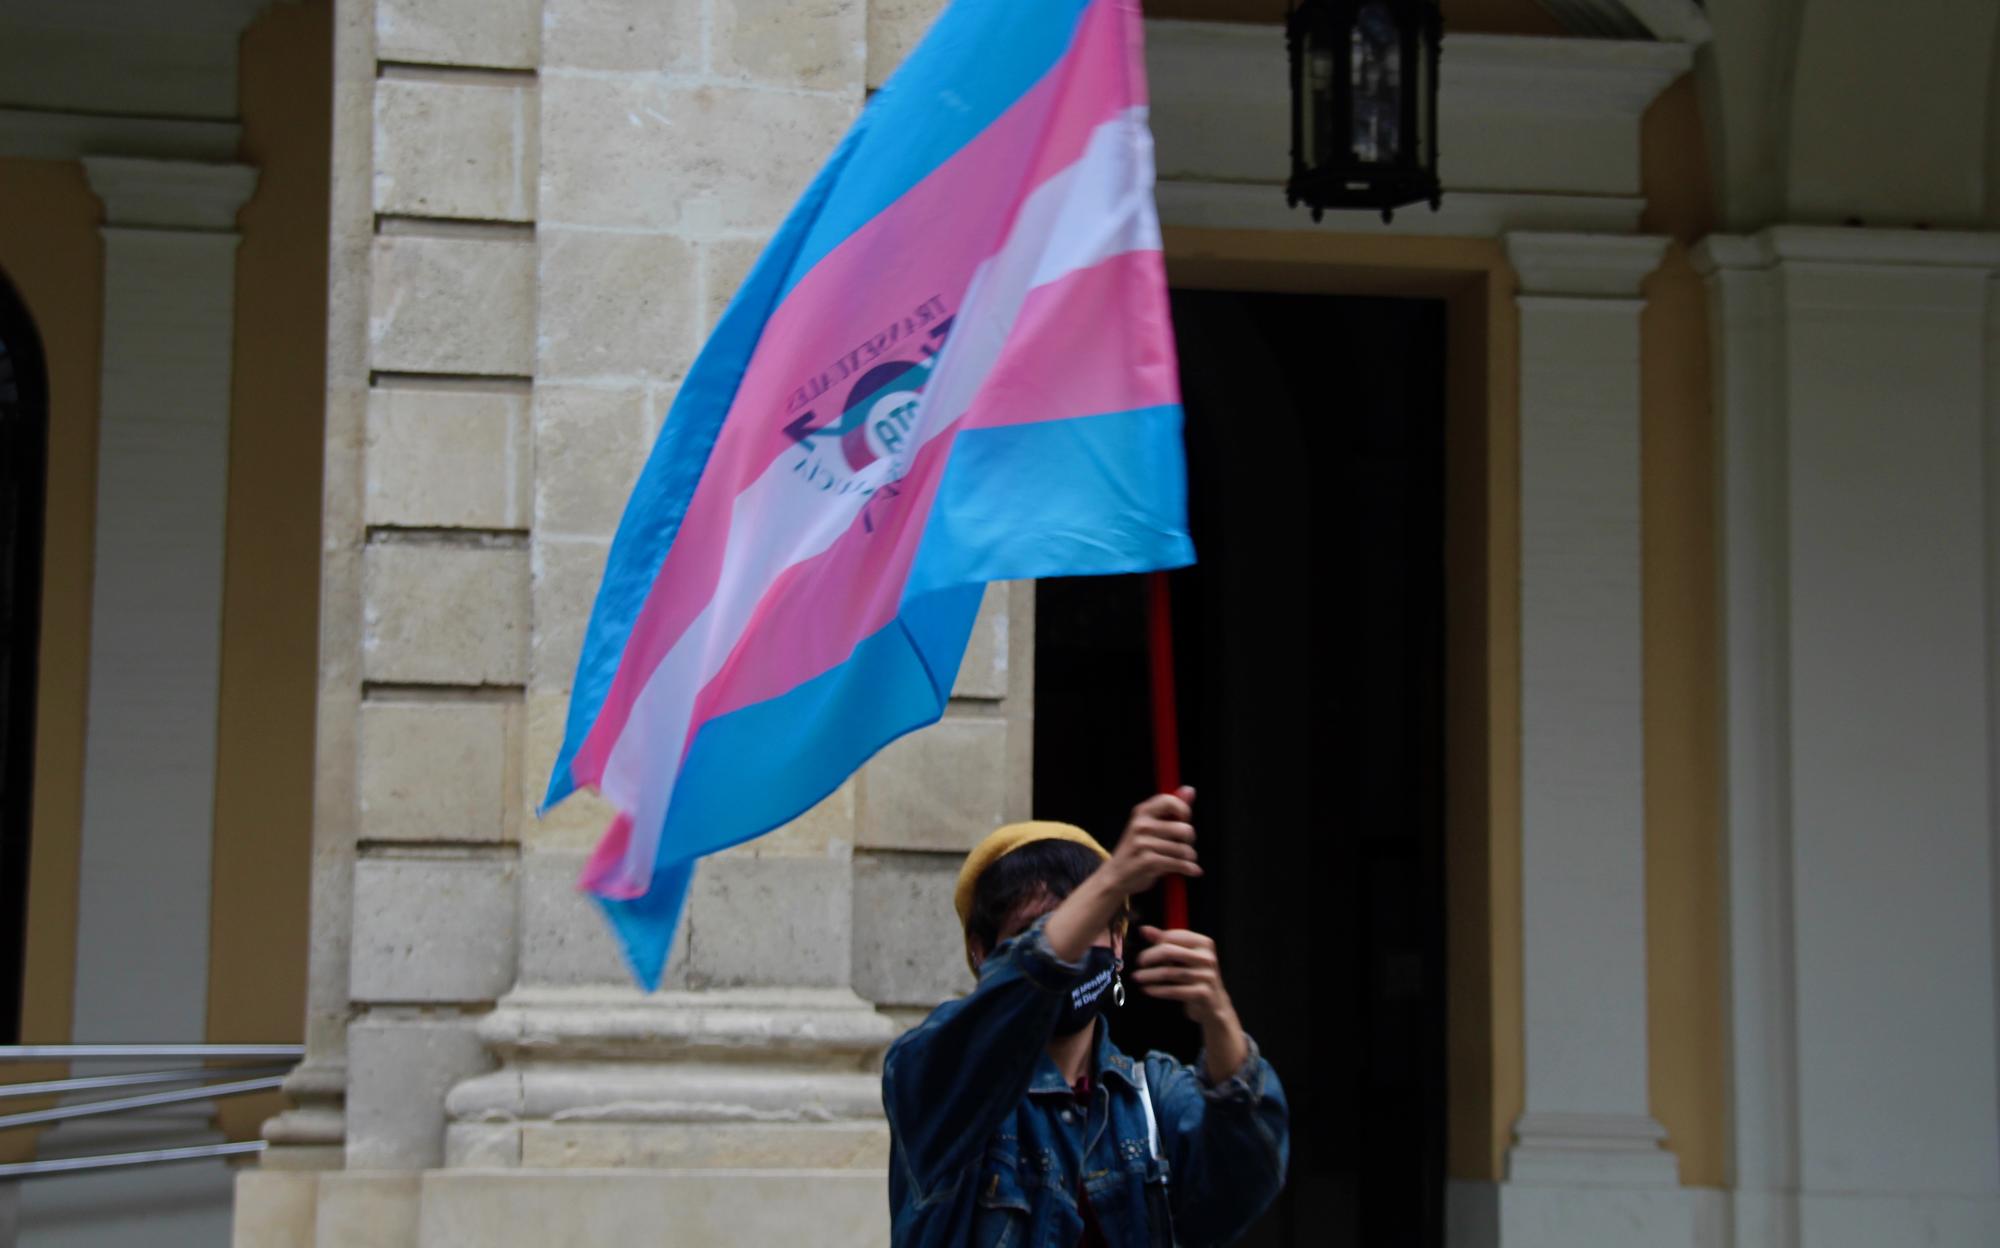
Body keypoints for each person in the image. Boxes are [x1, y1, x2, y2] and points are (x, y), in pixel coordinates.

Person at [882, 788, 1289, 1247]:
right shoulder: (938, 1080)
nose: (1068, 958)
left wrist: (1218, 1017)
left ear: (1118, 943)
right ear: (981, 951)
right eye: (1031, 933)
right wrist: (1112, 880)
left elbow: (1249, 1175)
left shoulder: (1152, 1098)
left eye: (1090, 929)